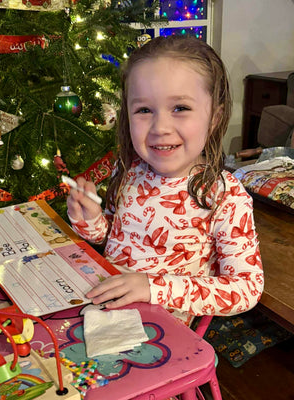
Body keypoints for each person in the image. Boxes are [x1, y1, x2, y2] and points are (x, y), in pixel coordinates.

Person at [66, 35, 264, 326]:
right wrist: (90, 219)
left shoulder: (226, 197)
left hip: (160, 333)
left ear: (215, 117)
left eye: (180, 108)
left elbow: (246, 289)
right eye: (144, 110)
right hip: (102, 306)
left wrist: (151, 287)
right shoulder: (131, 171)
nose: (160, 127)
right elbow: (113, 240)